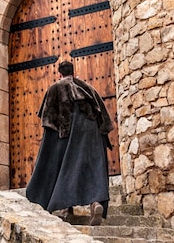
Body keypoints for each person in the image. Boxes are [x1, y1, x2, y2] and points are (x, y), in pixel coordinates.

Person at [26, 60, 114, 226]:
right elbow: (102, 115)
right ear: (73, 72)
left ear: (59, 74)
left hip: (69, 132)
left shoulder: (55, 88)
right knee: (91, 167)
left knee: (62, 165)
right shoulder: (88, 88)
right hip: (91, 132)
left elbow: (49, 120)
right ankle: (94, 204)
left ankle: (66, 208)